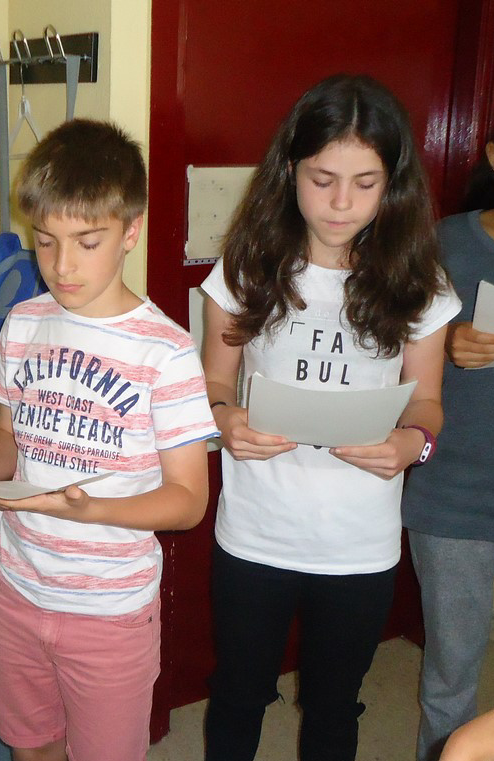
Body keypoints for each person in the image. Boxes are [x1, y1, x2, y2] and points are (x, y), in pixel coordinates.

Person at [199, 74, 461, 761]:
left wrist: (412, 444)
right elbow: (214, 380)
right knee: (237, 693)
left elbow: (427, 401)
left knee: (335, 704)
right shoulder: (247, 267)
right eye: (323, 179)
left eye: (365, 183)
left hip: (359, 541)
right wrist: (225, 420)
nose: (342, 203)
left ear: (392, 184)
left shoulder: (418, 282)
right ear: (290, 170)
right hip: (255, 531)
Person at [0, 119, 219, 761]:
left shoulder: (166, 352)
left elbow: (188, 501)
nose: (62, 265)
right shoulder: (23, 322)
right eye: (45, 242)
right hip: (17, 587)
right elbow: (6, 435)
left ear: (131, 231)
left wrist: (91, 509)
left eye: (86, 242)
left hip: (109, 610)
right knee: (31, 745)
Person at [402, 137, 494, 761]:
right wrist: (444, 341)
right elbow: (381, 356)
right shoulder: (442, 245)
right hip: (455, 497)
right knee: (451, 678)